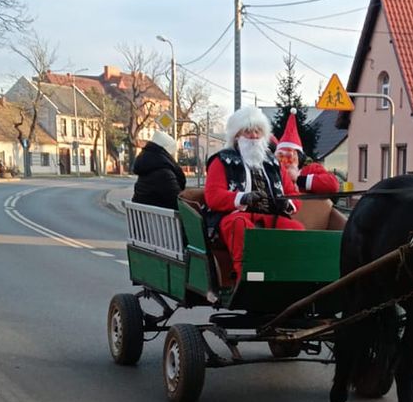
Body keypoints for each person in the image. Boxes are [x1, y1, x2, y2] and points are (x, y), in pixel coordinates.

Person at [204, 107, 302, 276]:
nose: (254, 136)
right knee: (240, 227)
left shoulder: (273, 163)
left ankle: (289, 275)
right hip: (233, 215)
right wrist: (243, 198)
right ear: (237, 136)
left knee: (295, 228)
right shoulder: (222, 161)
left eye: (258, 131)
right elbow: (213, 197)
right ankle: (248, 277)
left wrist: (287, 203)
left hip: (269, 215)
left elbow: (293, 195)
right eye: (248, 132)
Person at [272, 112, 341, 196]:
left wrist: (299, 180)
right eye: (281, 157)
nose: (286, 162)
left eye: (290, 157)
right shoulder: (273, 172)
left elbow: (333, 185)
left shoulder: (311, 169)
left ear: (299, 156)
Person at [131, 130, 186, 209]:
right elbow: (177, 202)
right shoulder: (163, 173)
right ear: (167, 154)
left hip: (143, 218)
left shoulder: (147, 168)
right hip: (161, 220)